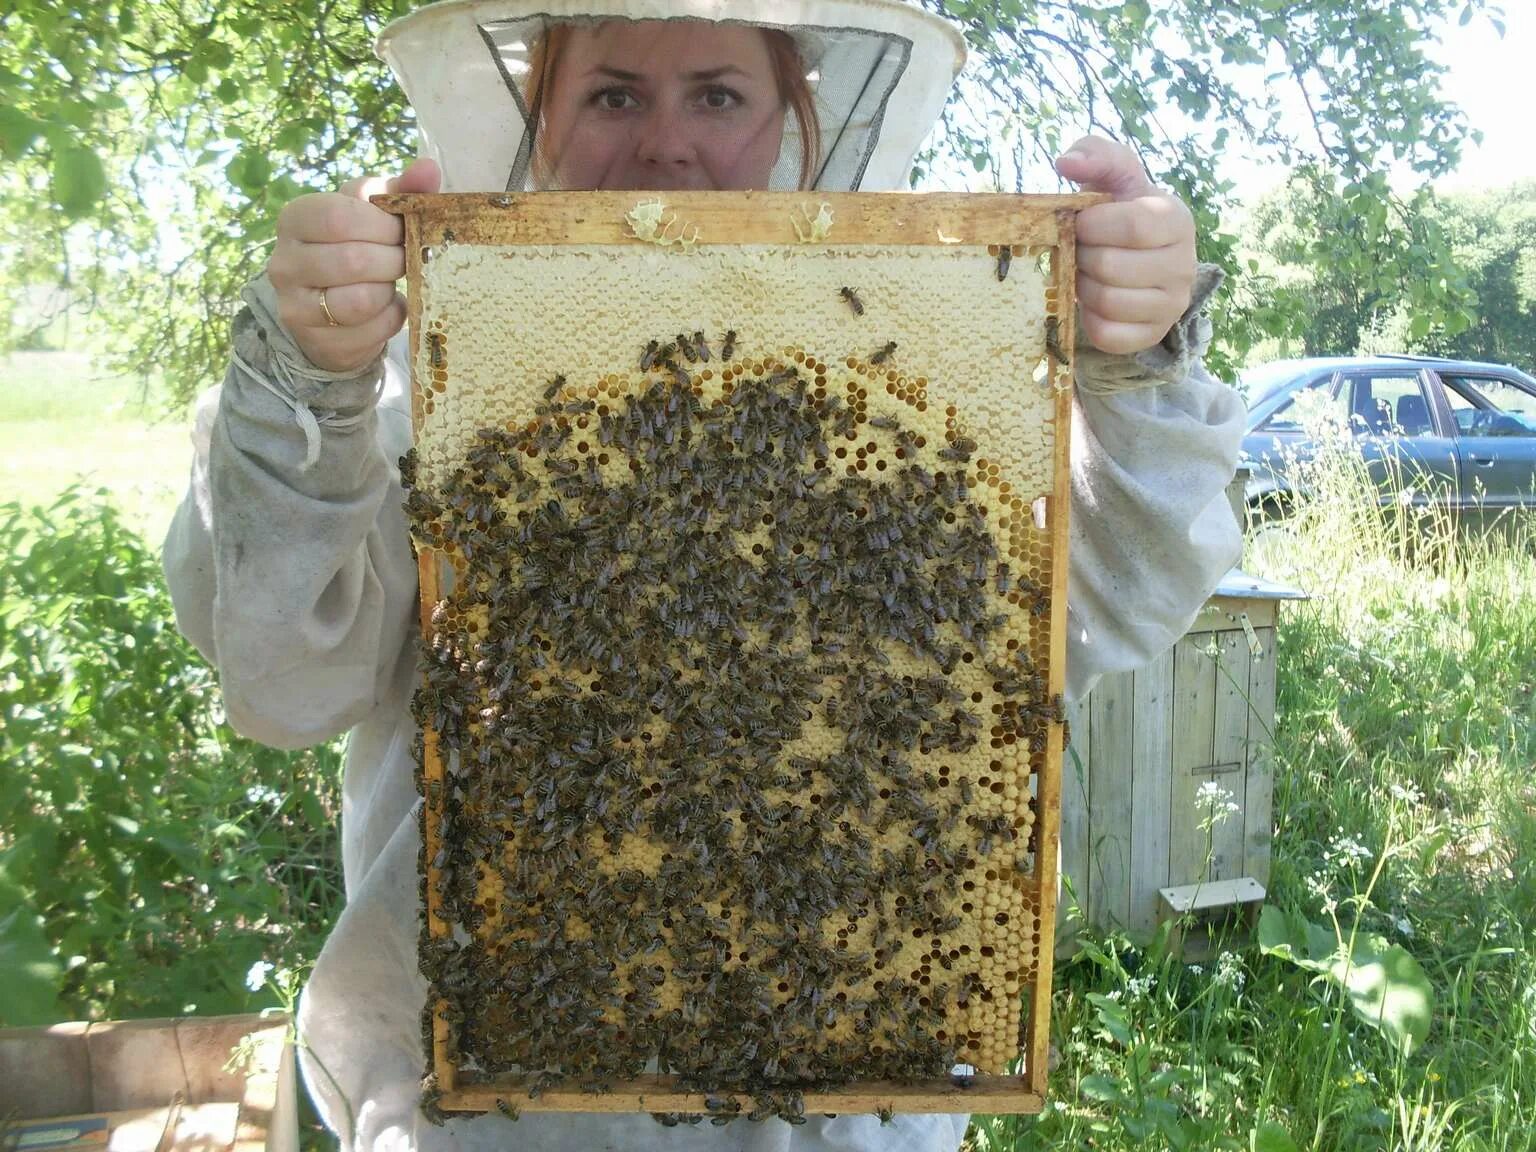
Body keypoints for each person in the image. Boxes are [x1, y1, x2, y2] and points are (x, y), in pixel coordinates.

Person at [163, 2, 1244, 1147]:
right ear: (543, 121)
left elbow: (1122, 594)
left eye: (718, 95)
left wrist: (1134, 370)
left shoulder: (925, 384)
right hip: (499, 1112)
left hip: (847, 1095)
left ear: (794, 121)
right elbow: (284, 681)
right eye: (613, 93)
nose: (668, 143)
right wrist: (311, 385)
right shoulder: (436, 383)